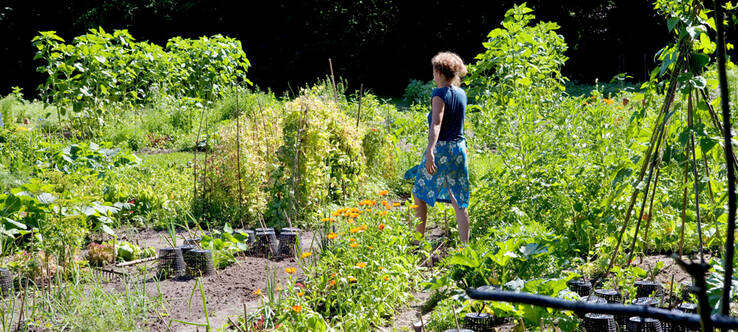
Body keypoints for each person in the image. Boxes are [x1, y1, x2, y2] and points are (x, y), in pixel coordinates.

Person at [412, 52, 470, 243]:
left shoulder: (439, 94)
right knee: (458, 199)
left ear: (439, 72)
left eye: (434, 71)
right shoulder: (461, 94)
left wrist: (430, 151)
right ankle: (466, 249)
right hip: (459, 148)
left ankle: (417, 242)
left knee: (419, 193)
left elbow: (436, 123)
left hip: (442, 150)